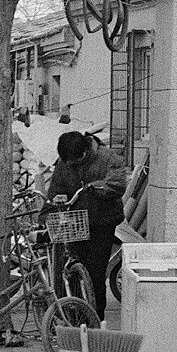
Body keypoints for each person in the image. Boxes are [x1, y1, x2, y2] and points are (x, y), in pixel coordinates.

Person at [45, 130, 128, 319]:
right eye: (67, 163)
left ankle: (97, 317)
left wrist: (97, 188)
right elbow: (54, 191)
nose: (70, 166)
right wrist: (46, 217)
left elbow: (118, 184)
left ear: (83, 153)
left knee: (96, 273)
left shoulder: (108, 158)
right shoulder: (64, 163)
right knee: (71, 268)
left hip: (102, 222)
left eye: (74, 162)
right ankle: (74, 313)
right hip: (75, 222)